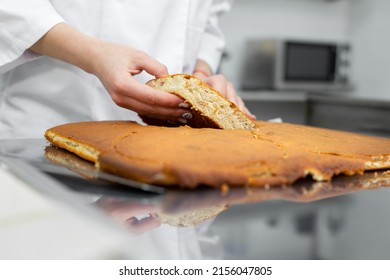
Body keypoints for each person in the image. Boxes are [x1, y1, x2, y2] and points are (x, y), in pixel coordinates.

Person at [0, 0, 253, 139]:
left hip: (174, 144)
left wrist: (201, 81)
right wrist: (94, 55)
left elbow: (208, 19)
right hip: (50, 129)